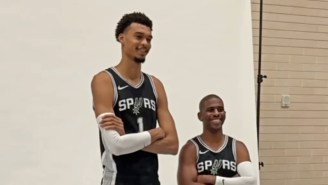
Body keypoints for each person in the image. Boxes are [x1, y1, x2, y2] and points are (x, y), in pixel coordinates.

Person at [91, 12, 179, 185]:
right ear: (121, 38)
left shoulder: (156, 85)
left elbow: (172, 145)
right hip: (117, 180)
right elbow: (115, 146)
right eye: (139, 37)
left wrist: (129, 139)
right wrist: (154, 134)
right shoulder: (104, 80)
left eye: (149, 39)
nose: (145, 43)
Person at [177, 94, 256, 185]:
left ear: (225, 114)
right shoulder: (191, 148)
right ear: (200, 116)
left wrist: (214, 180)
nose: (216, 113)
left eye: (220, 109)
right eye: (210, 110)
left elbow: (251, 181)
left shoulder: (237, 147)